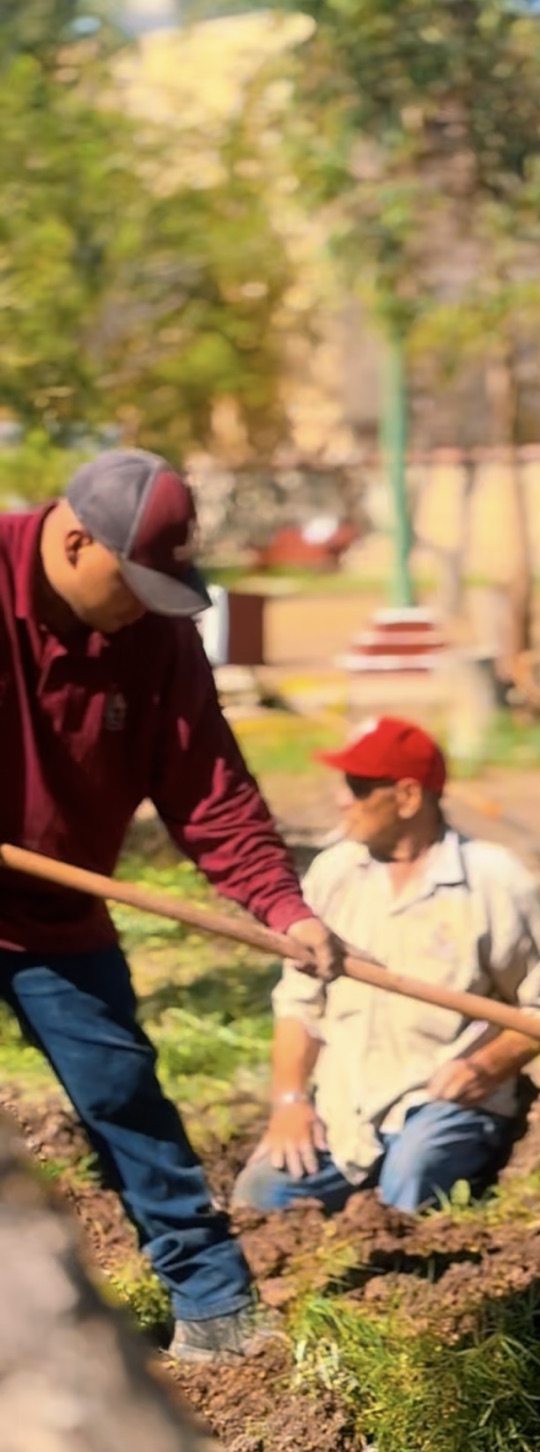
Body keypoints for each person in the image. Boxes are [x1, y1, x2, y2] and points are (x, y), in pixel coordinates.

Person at [0, 447, 337, 1362]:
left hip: (51, 916)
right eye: (134, 578)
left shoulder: (154, 632)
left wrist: (281, 905)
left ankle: (216, 1308)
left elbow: (208, 786)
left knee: (123, 1090)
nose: (147, 601)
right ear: (73, 540)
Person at [233, 716, 540, 1214]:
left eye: (358, 787)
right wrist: (289, 1101)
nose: (342, 800)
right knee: (260, 1196)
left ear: (408, 797)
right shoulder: (334, 872)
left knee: (406, 1189)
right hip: (346, 1104)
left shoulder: (494, 883)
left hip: (439, 1099)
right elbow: (298, 1002)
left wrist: (485, 1066)